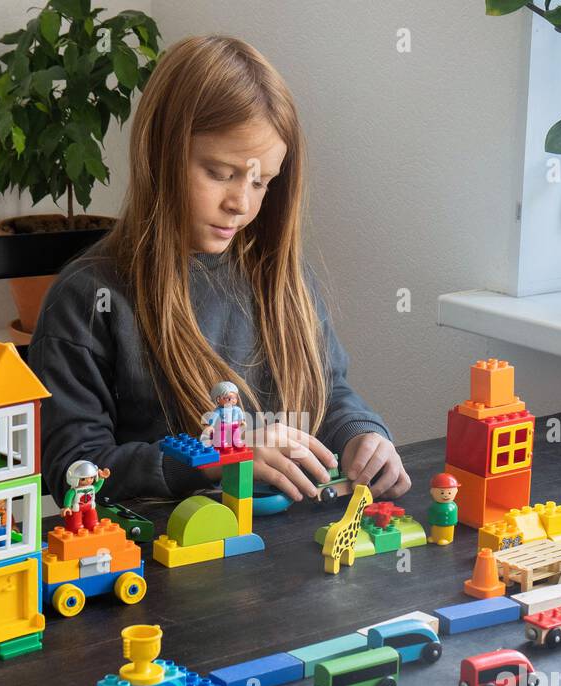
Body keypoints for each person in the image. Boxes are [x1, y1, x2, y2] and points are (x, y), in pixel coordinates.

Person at [30, 35, 408, 507]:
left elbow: (327, 392)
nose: (241, 203)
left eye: (261, 181)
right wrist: (216, 459)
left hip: (282, 547)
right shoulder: (88, 299)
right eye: (220, 172)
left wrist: (360, 435)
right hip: (162, 562)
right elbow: (73, 471)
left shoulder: (282, 279)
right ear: (158, 153)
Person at [61, 460, 110, 533]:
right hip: (77, 508)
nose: (88, 481)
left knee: (93, 522)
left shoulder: (91, 488)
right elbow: (69, 496)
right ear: (75, 479)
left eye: (91, 478)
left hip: (90, 507)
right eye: (83, 479)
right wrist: (67, 507)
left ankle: (92, 525)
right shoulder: (74, 490)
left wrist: (101, 478)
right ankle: (76, 528)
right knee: (75, 525)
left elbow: (97, 487)